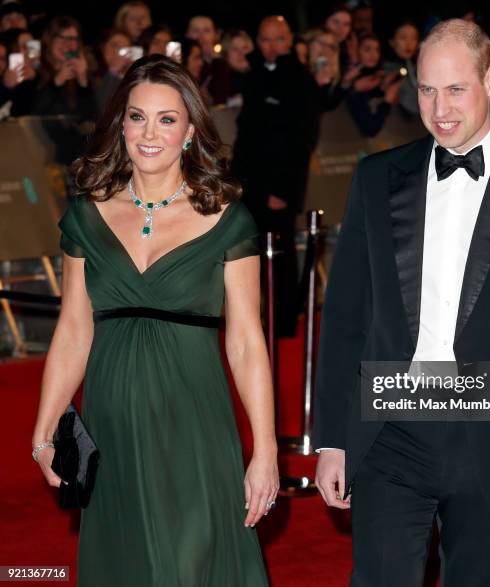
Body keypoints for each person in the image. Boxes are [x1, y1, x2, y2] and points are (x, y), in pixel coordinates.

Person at [314, 18, 490, 586]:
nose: (439, 108)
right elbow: (345, 317)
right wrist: (334, 438)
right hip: (392, 427)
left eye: (455, 88)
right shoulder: (376, 179)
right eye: (426, 89)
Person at [31, 54, 277, 586]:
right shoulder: (87, 213)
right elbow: (74, 331)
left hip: (195, 424)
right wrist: (44, 431)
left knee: (190, 563)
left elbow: (246, 344)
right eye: (137, 116)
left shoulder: (227, 219)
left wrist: (266, 451)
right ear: (121, 124)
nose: (150, 133)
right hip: (112, 425)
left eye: (167, 119)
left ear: (190, 130)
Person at [231, 15, 322, 338]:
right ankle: (255, 318)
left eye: (278, 39)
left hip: (278, 185)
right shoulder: (254, 75)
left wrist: (283, 189)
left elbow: (302, 141)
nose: (271, 47)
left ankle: (284, 322)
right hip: (248, 183)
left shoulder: (300, 80)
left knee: (281, 259)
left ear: (290, 41)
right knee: (246, 254)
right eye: (265, 39)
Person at [31, 16, 96, 121]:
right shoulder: (35, 69)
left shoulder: (84, 71)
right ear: (49, 40)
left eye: (73, 39)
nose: (67, 44)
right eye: (61, 38)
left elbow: (91, 119)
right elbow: (34, 112)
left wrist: (83, 82)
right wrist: (58, 80)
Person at [345, 33, 401, 137]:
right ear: (356, 51)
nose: (373, 55)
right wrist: (387, 101)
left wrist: (382, 89)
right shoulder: (354, 82)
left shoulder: (378, 76)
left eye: (377, 50)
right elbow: (370, 129)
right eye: (367, 49)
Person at [185, 15, 230, 105]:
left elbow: (221, 99)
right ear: (187, 34)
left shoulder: (221, 64)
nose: (201, 36)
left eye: (206, 31)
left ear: (216, 35)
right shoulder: (178, 61)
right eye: (195, 31)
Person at [384, 21, 420, 117]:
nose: (409, 43)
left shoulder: (413, 65)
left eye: (414, 38)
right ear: (392, 41)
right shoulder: (387, 68)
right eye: (403, 38)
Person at [92, 28, 132, 115]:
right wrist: (113, 71)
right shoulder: (91, 77)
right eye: (115, 45)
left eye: (125, 49)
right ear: (103, 48)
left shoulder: (133, 78)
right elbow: (102, 109)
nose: (119, 52)